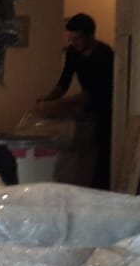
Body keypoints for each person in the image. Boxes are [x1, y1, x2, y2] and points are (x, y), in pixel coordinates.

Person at [37, 13, 115, 190]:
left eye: (77, 38)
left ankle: (99, 188)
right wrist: (47, 99)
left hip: (106, 107)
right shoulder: (72, 53)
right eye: (71, 38)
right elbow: (64, 82)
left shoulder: (105, 54)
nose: (74, 42)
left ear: (90, 36)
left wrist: (61, 104)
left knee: (102, 152)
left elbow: (97, 91)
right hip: (86, 106)